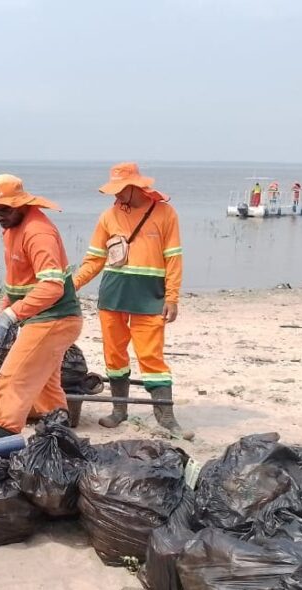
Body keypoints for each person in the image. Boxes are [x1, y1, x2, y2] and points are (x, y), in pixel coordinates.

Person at [72, 162, 192, 439]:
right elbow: (94, 260)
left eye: (119, 190)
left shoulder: (165, 213)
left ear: (134, 187)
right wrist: (72, 285)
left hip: (150, 296)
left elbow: (173, 258)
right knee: (114, 354)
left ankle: (166, 417)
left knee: (151, 356)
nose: (114, 195)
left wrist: (172, 297)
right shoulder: (108, 217)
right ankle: (119, 411)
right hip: (113, 294)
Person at [0, 174, 82, 439]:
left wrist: (11, 317)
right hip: (43, 318)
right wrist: (4, 311)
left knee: (11, 381)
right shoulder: (12, 229)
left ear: (21, 203)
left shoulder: (38, 232)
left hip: (54, 317)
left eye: (4, 209)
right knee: (46, 388)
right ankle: (60, 445)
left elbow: (52, 287)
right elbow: (18, 280)